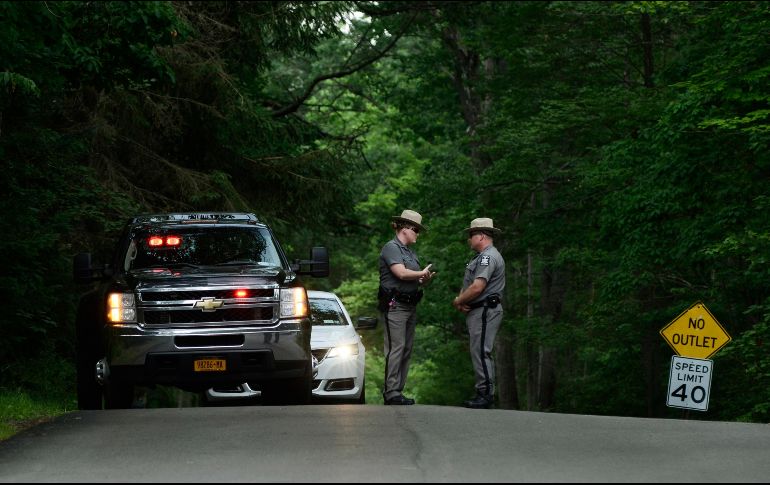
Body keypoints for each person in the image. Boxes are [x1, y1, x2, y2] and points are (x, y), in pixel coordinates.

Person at [378, 209, 435, 405]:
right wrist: (419, 272)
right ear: (406, 229)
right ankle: (391, 391)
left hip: (410, 305)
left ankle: (398, 391)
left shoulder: (410, 252)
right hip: (395, 305)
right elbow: (401, 273)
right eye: (416, 230)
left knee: (406, 348)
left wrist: (424, 278)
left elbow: (414, 279)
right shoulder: (391, 248)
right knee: (396, 347)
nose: (418, 234)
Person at [452, 217, 506, 409]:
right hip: (478, 309)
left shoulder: (487, 257)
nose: (469, 239)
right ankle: (482, 392)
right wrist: (462, 302)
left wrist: (459, 300)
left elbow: (477, 287)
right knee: (478, 351)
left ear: (481, 236)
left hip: (485, 309)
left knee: (482, 351)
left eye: (471, 235)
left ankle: (485, 394)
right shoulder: (481, 257)